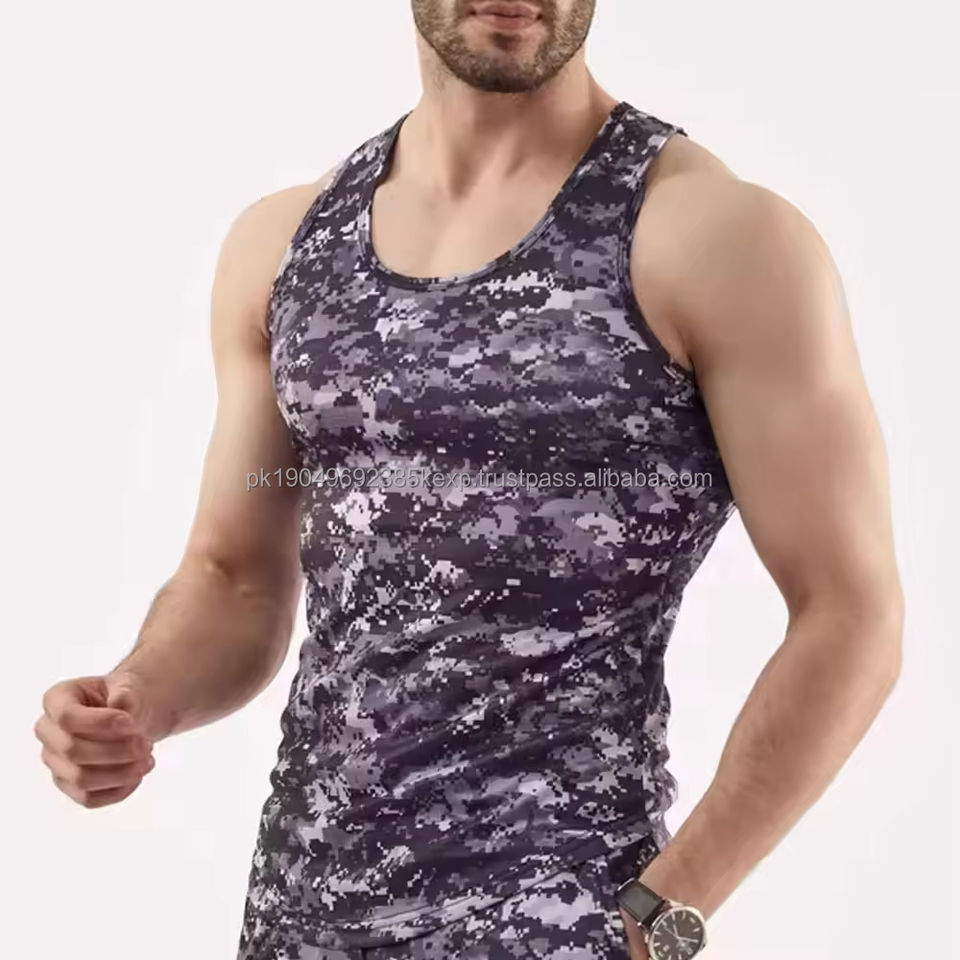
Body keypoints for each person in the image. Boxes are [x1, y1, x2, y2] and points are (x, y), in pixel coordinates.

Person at [34, 2, 904, 958]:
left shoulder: (714, 237)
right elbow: (231, 576)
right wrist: (140, 700)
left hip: (558, 920)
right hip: (300, 917)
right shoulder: (286, 246)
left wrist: (666, 912)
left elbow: (851, 612)